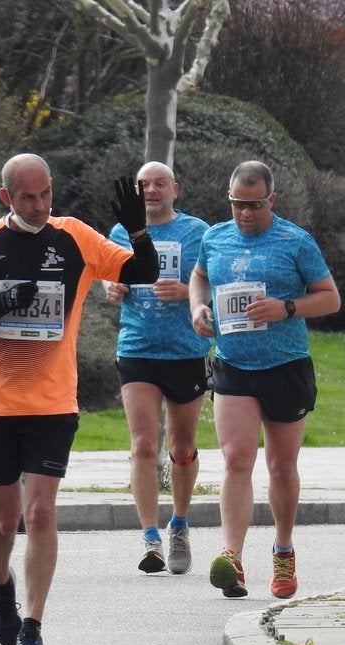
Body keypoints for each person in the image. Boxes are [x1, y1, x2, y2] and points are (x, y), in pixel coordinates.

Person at [0, 153, 159, 645]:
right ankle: (0, 583)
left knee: (39, 513)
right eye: (27, 198)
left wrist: (138, 230)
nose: (39, 206)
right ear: (6, 198)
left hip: (51, 401)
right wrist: (3, 303)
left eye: (45, 195)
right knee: (5, 518)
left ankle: (33, 628)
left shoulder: (74, 237)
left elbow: (142, 271)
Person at [188, 160, 340, 600]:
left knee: (280, 466)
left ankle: (283, 549)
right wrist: (197, 308)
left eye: (254, 205)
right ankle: (231, 557)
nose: (245, 213)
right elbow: (199, 276)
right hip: (234, 364)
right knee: (236, 458)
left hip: (286, 366)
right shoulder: (214, 238)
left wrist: (286, 308)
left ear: (270, 199)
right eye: (237, 204)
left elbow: (330, 299)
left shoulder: (295, 241)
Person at [105, 161, 211, 576]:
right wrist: (112, 288)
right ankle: (150, 537)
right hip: (137, 348)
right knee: (143, 445)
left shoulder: (197, 232)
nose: (151, 191)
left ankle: (179, 526)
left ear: (175, 190)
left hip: (185, 350)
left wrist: (186, 292)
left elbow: (214, 284)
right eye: (143, 185)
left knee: (181, 448)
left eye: (159, 184)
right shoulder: (121, 231)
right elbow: (106, 275)